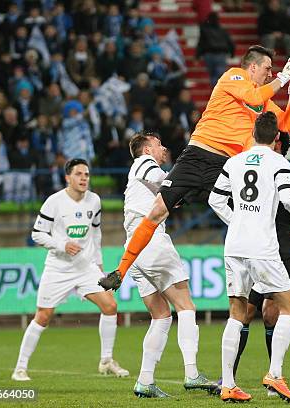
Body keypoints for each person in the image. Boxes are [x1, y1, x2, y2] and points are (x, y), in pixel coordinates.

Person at [99, 45, 290, 291]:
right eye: (268, 69)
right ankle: (120, 272)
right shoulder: (234, 76)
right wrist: (284, 76)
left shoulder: (264, 100)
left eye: (273, 71)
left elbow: (287, 125)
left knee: (247, 214)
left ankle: (257, 275)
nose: (271, 74)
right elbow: (253, 98)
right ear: (252, 66)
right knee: (157, 211)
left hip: (225, 166)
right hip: (197, 154)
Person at [208, 112, 290, 402]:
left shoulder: (234, 161)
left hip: (234, 244)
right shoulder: (281, 163)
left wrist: (236, 220)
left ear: (252, 133)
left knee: (237, 313)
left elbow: (215, 199)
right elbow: (289, 199)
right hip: (262, 247)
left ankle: (228, 384)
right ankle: (275, 374)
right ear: (277, 137)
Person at [11, 159, 129, 381]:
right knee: (43, 316)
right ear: (68, 177)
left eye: (86, 174)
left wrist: (99, 266)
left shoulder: (94, 201)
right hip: (58, 268)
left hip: (85, 267)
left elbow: (96, 235)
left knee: (111, 306)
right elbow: (37, 234)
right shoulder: (54, 202)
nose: (84, 178)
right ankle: (20, 368)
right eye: (79, 174)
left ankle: (106, 361)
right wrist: (62, 245)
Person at [123, 132, 218, 398]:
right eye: (158, 144)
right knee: (186, 306)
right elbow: (167, 182)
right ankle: (192, 373)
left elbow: (171, 195)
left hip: (134, 245)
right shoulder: (145, 163)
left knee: (161, 316)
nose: (163, 147)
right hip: (150, 238)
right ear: (146, 149)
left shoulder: (141, 173)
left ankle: (144, 381)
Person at [231, 131, 290, 384]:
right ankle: (229, 377)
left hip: (282, 248)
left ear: (278, 144)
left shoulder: (289, 167)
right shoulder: (253, 164)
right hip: (256, 246)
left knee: (272, 312)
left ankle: (275, 375)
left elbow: (289, 203)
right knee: (246, 312)